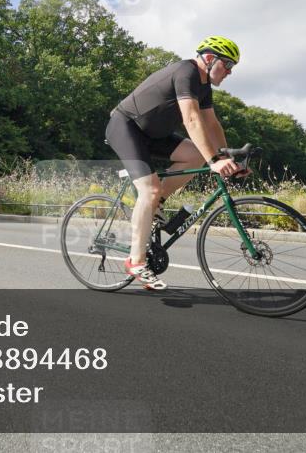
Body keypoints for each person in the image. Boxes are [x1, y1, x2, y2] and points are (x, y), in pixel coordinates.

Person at [105, 36, 249, 290]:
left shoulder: (204, 88)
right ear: (208, 58)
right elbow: (191, 120)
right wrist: (214, 160)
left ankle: (156, 204)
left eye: (232, 67)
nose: (229, 72)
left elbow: (212, 125)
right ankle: (135, 262)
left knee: (193, 156)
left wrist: (227, 158)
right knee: (148, 189)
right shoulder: (187, 72)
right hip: (126, 127)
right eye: (227, 64)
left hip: (154, 135)